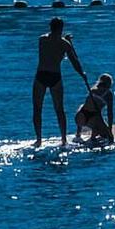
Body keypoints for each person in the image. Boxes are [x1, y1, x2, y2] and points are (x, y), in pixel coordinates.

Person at [33, 17, 87, 145]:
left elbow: (52, 50)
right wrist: (82, 74)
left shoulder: (42, 40)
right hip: (55, 76)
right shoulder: (65, 44)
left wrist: (66, 42)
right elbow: (74, 61)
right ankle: (63, 139)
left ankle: (39, 140)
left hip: (41, 75)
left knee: (37, 109)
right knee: (59, 109)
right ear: (61, 28)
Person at [75, 74, 115, 145]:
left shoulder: (96, 91)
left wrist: (108, 129)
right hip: (88, 118)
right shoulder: (101, 93)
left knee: (105, 134)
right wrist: (109, 130)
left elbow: (109, 113)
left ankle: (81, 135)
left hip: (85, 117)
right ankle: (90, 137)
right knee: (107, 136)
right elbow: (108, 114)